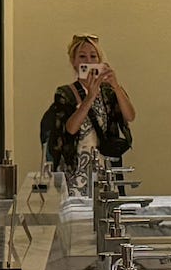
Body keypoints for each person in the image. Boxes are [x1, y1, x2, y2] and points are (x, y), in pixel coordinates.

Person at [40, 34, 136, 178]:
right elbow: (71, 128)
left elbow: (130, 116)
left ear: (100, 61)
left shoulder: (108, 92)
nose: (88, 62)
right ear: (73, 61)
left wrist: (115, 86)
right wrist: (89, 97)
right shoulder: (65, 93)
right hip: (76, 169)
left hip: (105, 168)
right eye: (82, 57)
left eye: (93, 57)